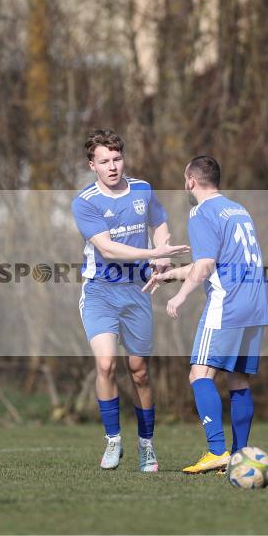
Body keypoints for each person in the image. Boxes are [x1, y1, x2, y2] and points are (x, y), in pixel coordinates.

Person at [71, 129, 189, 472]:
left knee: (139, 372)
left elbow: (160, 223)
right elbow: (108, 248)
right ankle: (113, 441)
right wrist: (154, 251)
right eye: (104, 161)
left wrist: (163, 253)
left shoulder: (143, 189)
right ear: (92, 165)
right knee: (106, 364)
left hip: (137, 293)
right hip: (99, 293)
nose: (112, 166)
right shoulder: (85, 201)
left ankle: (147, 445)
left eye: (117, 159)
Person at [144, 155, 268, 474]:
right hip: (255, 304)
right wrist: (168, 276)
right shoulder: (238, 210)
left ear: (190, 181)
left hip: (227, 304)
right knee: (238, 379)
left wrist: (181, 296)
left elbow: (205, 265)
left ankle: (216, 451)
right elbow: (218, 261)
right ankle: (241, 457)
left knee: (199, 374)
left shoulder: (201, 212)